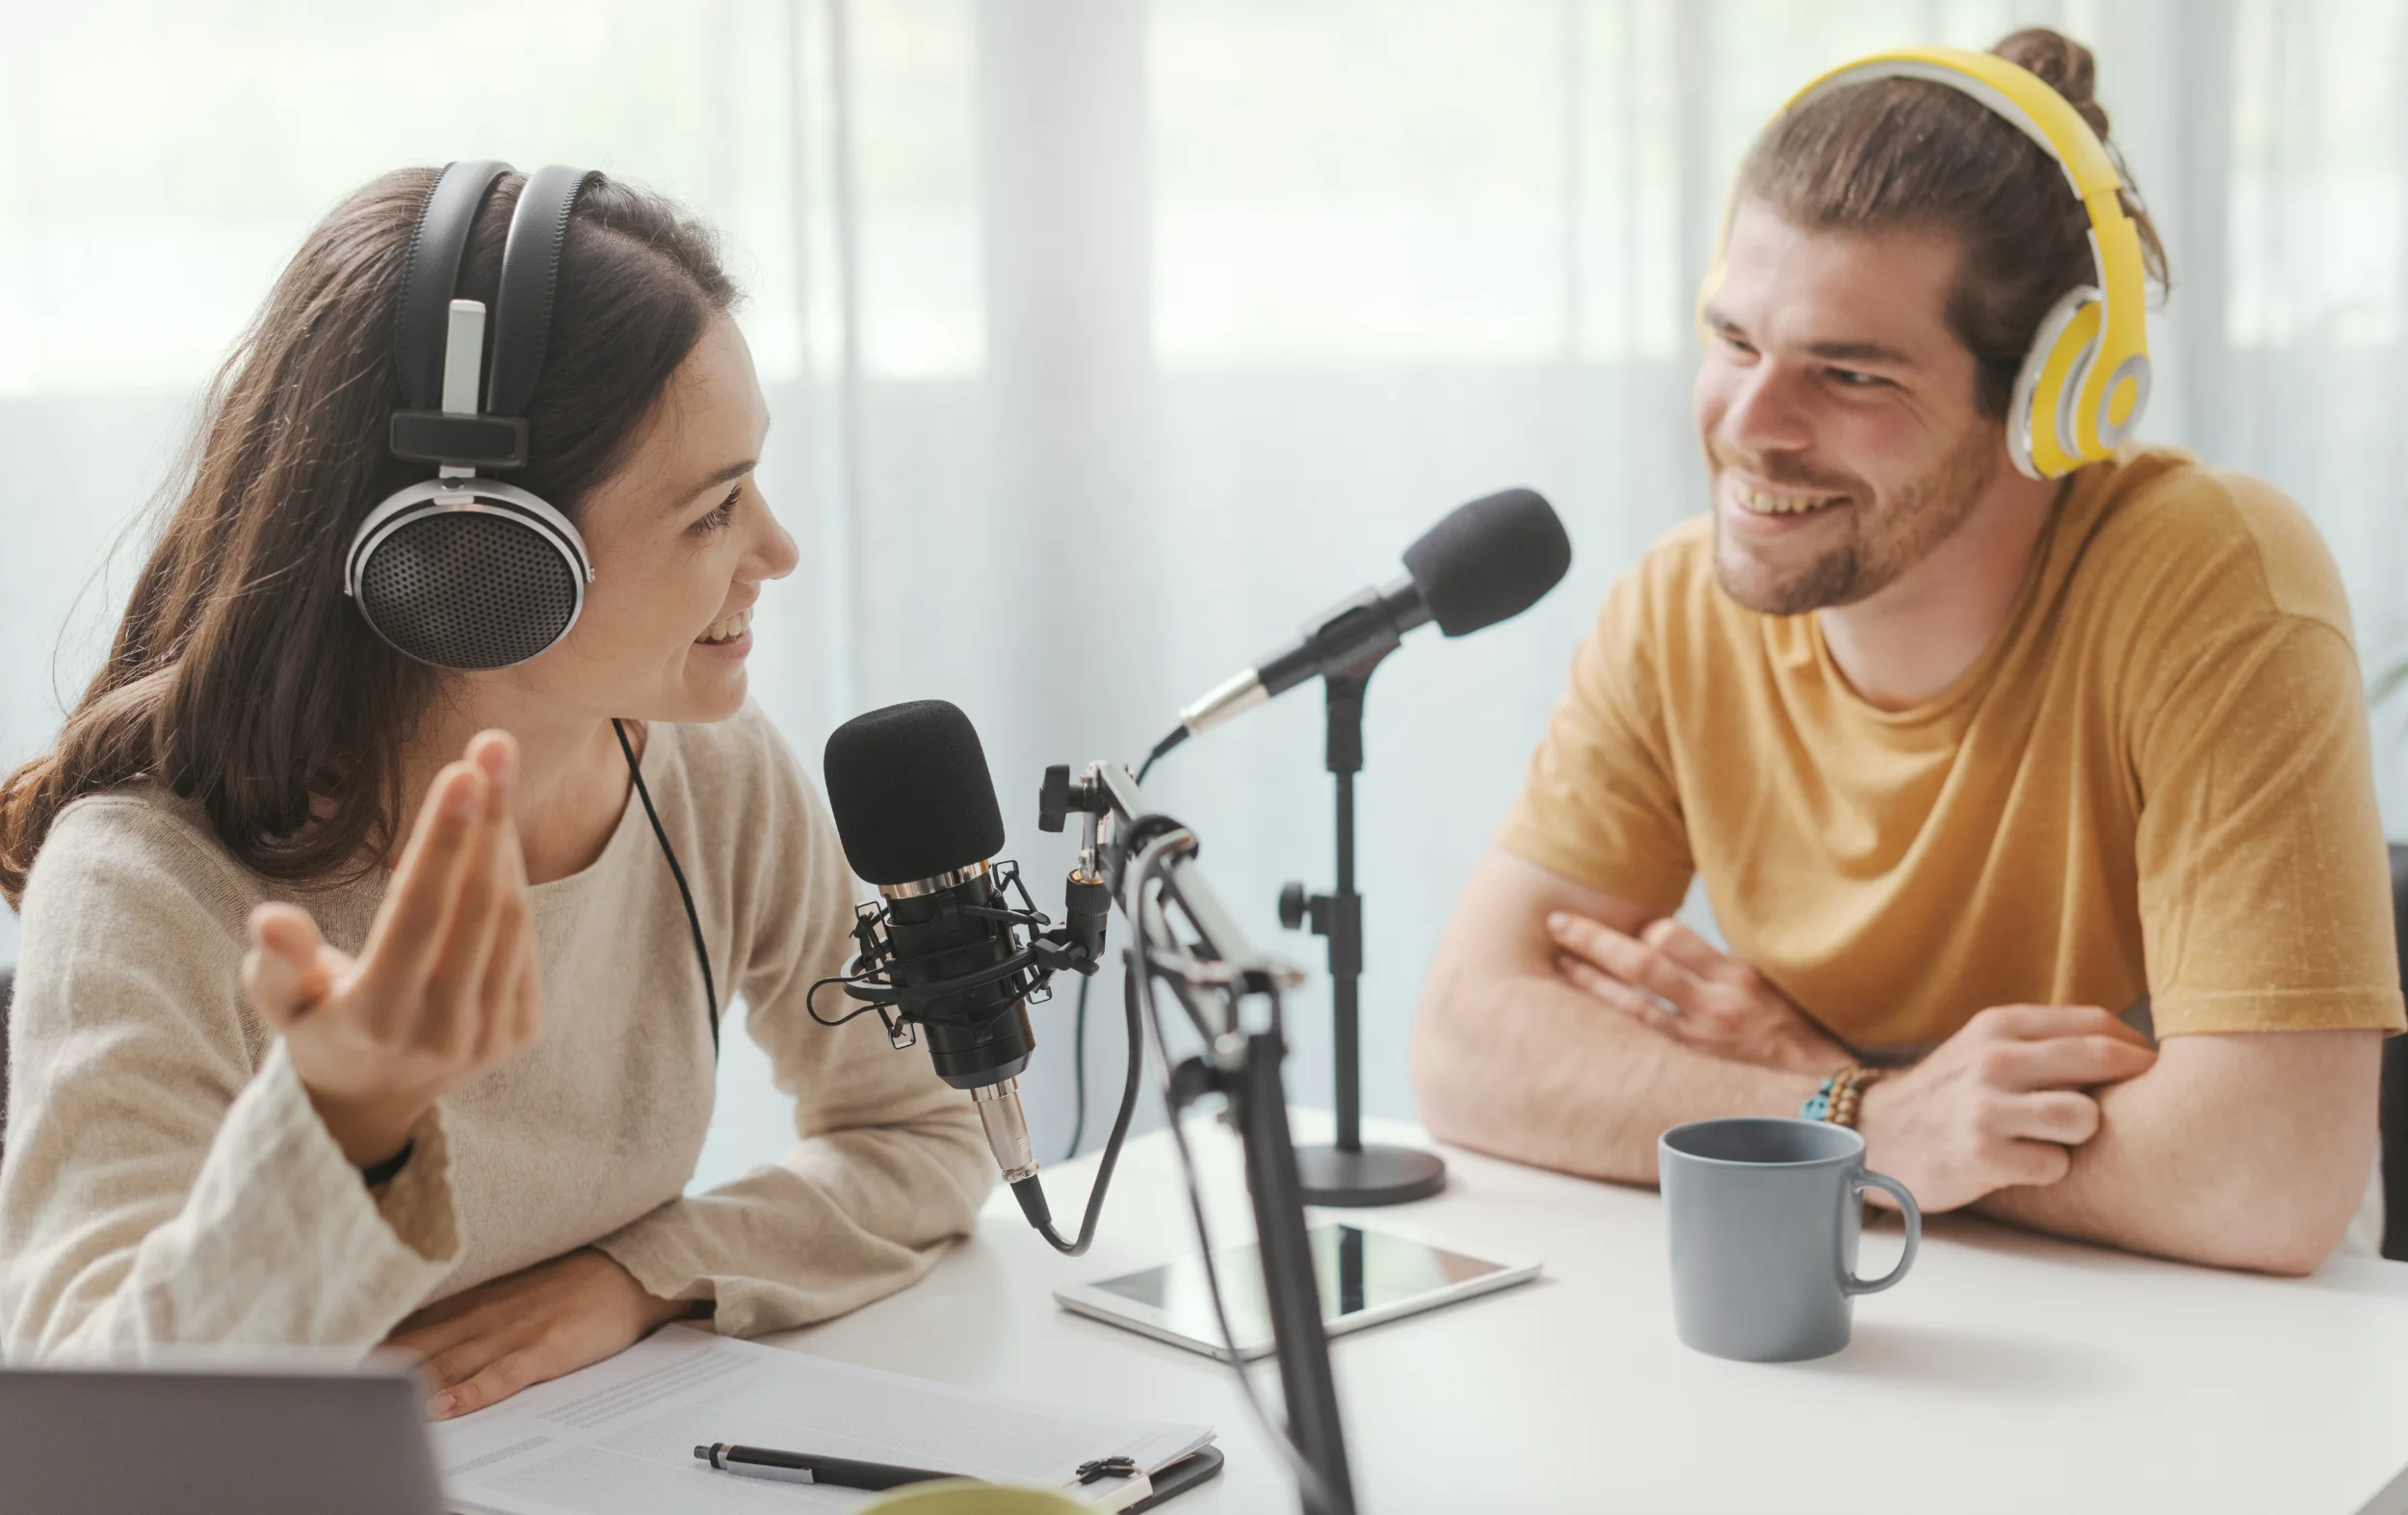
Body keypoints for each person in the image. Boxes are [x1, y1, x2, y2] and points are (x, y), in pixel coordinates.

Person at [1411, 29, 2405, 1276]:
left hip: (2209, 1340)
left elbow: (2264, 1176)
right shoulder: (1677, 609)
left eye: (1848, 373)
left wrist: (1822, 1092)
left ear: (2054, 397)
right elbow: (1470, 1043)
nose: (1750, 428)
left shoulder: (2212, 583)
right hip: (1881, 1288)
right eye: (1734, 341)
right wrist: (1867, 1124)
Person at [0, 167, 991, 1416]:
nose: (778, 551)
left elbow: (924, 1135)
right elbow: (83, 1435)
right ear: (471, 565)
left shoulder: (712, 776)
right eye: (713, 511)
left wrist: (640, 1274)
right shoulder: (149, 880)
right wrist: (346, 1122)